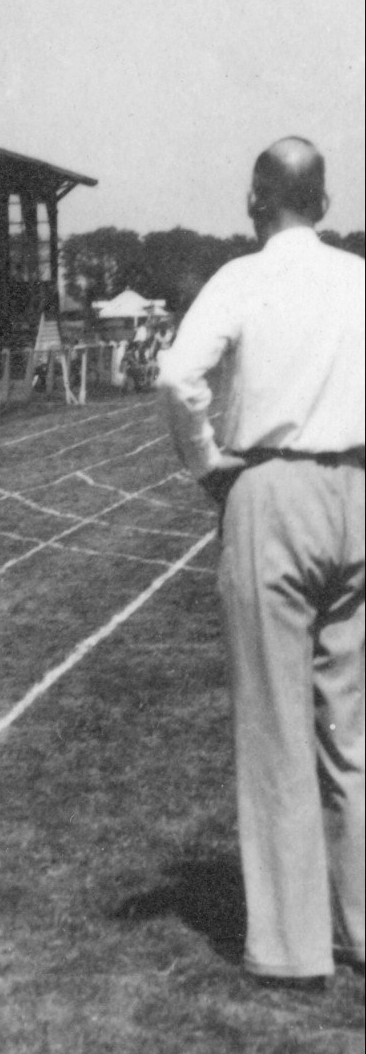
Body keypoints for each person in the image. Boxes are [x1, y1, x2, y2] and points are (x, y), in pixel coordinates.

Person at [158, 137, 365, 990]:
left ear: (255, 201)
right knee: (349, 728)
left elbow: (178, 378)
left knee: (274, 724)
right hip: (356, 490)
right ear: (320, 200)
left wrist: (207, 464)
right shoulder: (359, 279)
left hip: (269, 490)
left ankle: (290, 945)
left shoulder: (241, 280)